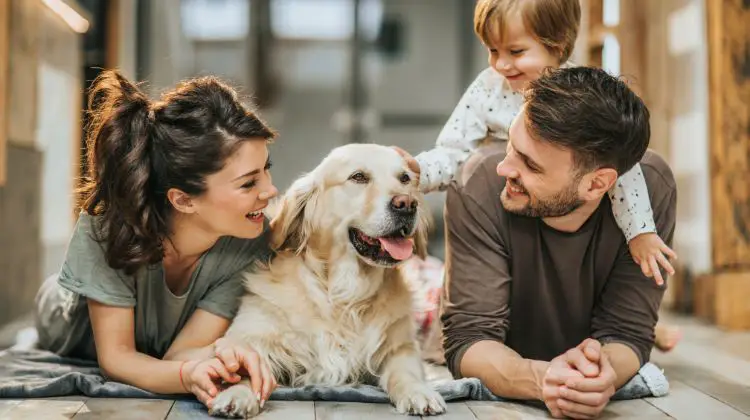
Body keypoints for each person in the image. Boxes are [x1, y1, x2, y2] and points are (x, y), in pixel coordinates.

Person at [440, 66, 677, 419]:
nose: (504, 169)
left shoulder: (653, 189)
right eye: (510, 145)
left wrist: (603, 375)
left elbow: (627, 333)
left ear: (597, 185)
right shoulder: (478, 183)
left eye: (530, 165)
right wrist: (544, 379)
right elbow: (468, 338)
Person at [34, 70, 278, 408]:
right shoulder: (106, 230)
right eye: (248, 183)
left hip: (159, 338)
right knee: (52, 302)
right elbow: (116, 359)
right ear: (183, 199)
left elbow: (179, 354)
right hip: (68, 321)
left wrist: (222, 351)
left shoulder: (251, 241)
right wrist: (186, 375)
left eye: (267, 168)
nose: (271, 190)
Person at [394, 0, 677, 284]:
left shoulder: (578, 97)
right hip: (509, 220)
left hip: (569, 223)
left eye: (516, 51)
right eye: (493, 50)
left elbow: (620, 165)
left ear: (557, 44)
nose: (501, 64)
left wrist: (640, 231)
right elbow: (454, 150)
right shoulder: (489, 88)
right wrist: (420, 170)